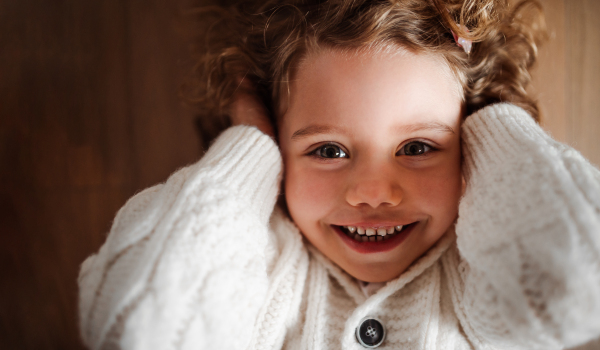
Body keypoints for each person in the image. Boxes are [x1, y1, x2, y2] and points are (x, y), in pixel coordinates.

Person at [77, 0, 600, 349]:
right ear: (276, 148)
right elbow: (138, 324)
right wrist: (246, 146)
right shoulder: (260, 264)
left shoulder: (479, 270)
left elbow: (581, 280)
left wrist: (493, 118)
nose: (373, 193)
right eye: (328, 150)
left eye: (418, 146)